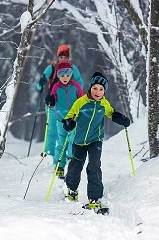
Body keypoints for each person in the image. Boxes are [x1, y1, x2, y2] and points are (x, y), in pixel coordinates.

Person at [62, 72, 130, 209]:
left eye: (101, 89)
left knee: (94, 166)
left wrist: (120, 118)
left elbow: (111, 113)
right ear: (90, 88)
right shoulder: (81, 102)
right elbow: (70, 116)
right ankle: (71, 188)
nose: (97, 92)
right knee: (76, 165)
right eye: (95, 88)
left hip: (95, 140)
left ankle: (94, 198)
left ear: (104, 91)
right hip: (79, 140)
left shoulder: (104, 104)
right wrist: (68, 123)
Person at [36, 44, 84, 157]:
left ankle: (69, 153)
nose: (63, 59)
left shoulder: (72, 69)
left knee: (70, 130)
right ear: (58, 57)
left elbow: (80, 84)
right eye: (61, 57)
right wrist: (41, 82)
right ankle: (49, 152)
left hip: (69, 105)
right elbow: (39, 87)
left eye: (66, 57)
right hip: (52, 103)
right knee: (52, 128)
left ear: (68, 58)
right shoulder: (51, 68)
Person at [45, 61, 84, 178]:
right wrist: (50, 101)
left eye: (67, 75)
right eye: (62, 76)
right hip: (60, 119)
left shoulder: (76, 86)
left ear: (71, 74)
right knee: (61, 142)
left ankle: (72, 162)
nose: (65, 78)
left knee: (73, 140)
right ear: (58, 76)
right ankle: (59, 166)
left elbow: (81, 100)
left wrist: (80, 113)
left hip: (73, 119)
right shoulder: (56, 87)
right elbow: (51, 104)